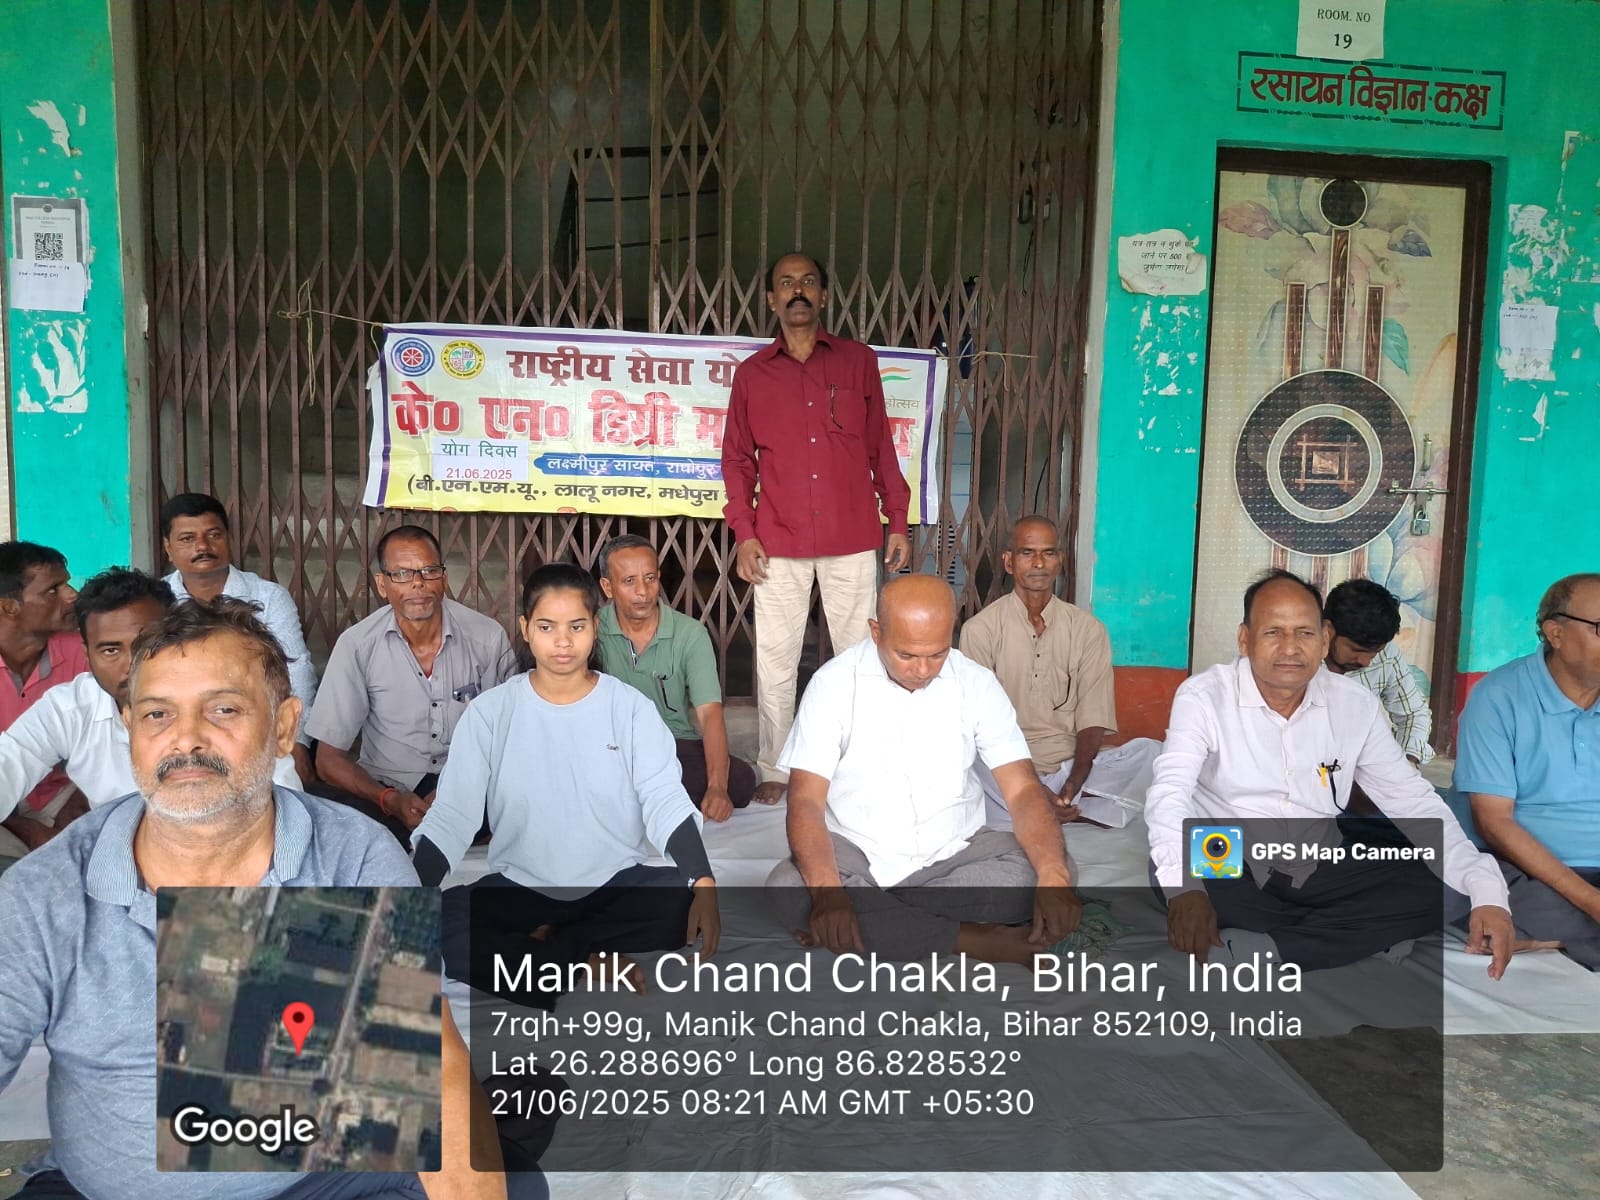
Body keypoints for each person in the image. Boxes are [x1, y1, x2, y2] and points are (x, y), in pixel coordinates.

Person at [0, 600, 507, 1200]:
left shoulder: (353, 857)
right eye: (158, 714)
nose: (186, 738)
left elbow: (428, 1066)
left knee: (499, 1170)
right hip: (110, 1191)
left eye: (223, 709)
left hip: (313, 1175)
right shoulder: (46, 892)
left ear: (284, 727)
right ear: (130, 728)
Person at [1146, 570, 1515, 975]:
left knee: (1453, 888)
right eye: (1273, 632)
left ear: (1324, 639)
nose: (1290, 648)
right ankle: (1357, 933)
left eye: (1304, 633)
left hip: (1317, 857)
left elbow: (1413, 800)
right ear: (1245, 639)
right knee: (1180, 879)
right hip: (1225, 848)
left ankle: (1278, 944)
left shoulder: (1354, 705)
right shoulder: (1204, 697)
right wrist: (1185, 889)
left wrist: (1488, 893)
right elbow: (1171, 792)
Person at [412, 563, 719, 1008]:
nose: (562, 641)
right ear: (525, 629)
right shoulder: (491, 712)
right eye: (546, 627)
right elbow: (452, 816)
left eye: (576, 626)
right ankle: (582, 957)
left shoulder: (629, 708)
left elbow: (665, 799)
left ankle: (546, 953)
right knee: (438, 923)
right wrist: (408, 897)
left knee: (681, 901)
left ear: (595, 627)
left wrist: (703, 880)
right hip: (521, 887)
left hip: (614, 884)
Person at [767, 574, 1080, 963]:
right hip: (857, 851)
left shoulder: (976, 683)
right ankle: (972, 938)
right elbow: (806, 801)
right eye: (907, 655)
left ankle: (878, 920)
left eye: (937, 654)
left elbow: (1022, 791)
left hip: (955, 852)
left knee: (1052, 868)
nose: (923, 670)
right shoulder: (833, 685)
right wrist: (828, 891)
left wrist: (1053, 876)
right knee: (787, 887)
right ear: (877, 632)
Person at [722, 251, 912, 804]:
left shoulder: (857, 362)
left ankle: (858, 763)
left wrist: (897, 519)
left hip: (851, 537)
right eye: (786, 283)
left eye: (807, 282)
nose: (797, 290)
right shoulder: (753, 375)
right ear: (772, 299)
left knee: (859, 656)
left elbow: (880, 446)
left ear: (824, 295)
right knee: (776, 661)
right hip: (777, 542)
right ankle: (777, 767)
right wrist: (744, 533)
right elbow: (737, 461)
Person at [0, 570, 302, 830]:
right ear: (87, 654)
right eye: (110, 650)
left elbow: (286, 810)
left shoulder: (231, 706)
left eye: (146, 643)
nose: (131, 665)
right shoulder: (70, 708)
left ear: (177, 636)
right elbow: (10, 762)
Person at [308, 525, 517, 840]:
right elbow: (328, 760)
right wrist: (389, 800)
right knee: (324, 808)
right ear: (382, 584)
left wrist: (454, 791)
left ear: (444, 578)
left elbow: (511, 739)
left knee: (522, 798)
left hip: (469, 788)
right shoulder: (357, 645)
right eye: (402, 574)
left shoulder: (486, 637)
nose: (418, 583)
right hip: (385, 790)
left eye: (429, 571)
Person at [1456, 572, 1600, 970]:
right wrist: (1591, 901)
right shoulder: (1498, 697)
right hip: (1528, 871)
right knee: (1477, 892)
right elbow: (1494, 823)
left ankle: (1550, 937)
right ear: (1556, 633)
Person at [959, 516, 1117, 826]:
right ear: (1008, 562)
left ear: (1060, 561)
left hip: (1068, 766)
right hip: (1003, 768)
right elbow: (979, 728)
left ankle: (1056, 805)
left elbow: (1094, 717)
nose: (1039, 563)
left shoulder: (1089, 630)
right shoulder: (979, 630)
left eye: (1048, 553)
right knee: (967, 766)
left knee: (1151, 756)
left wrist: (1074, 782)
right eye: (1027, 553)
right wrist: (1034, 788)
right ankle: (1057, 808)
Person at [595, 535, 757, 821]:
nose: (643, 591)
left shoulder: (690, 634)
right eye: (629, 581)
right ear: (608, 587)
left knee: (741, 779)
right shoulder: (592, 629)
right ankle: (653, 798)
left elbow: (709, 714)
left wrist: (717, 787)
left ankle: (631, 800)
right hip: (611, 746)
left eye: (650, 578)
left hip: (673, 746)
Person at [160, 493, 320, 782]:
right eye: (187, 539)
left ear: (229, 539)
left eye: (214, 535)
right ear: (168, 548)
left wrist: (296, 741)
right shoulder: (155, 602)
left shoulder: (268, 597)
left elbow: (296, 670)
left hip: (255, 727)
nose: (202, 547)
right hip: (179, 731)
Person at [0, 541, 87, 853]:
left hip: (68, 792)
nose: (72, 595)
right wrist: (23, 827)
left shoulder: (85, 651)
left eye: (67, 583)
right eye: (53, 590)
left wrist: (82, 798)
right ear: (8, 606)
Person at [1323, 578, 1434, 765]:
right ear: (1328, 631)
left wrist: (1407, 762)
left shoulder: (1387, 654)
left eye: (1375, 652)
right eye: (1356, 650)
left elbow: (1413, 715)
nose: (1366, 662)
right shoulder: (1297, 663)